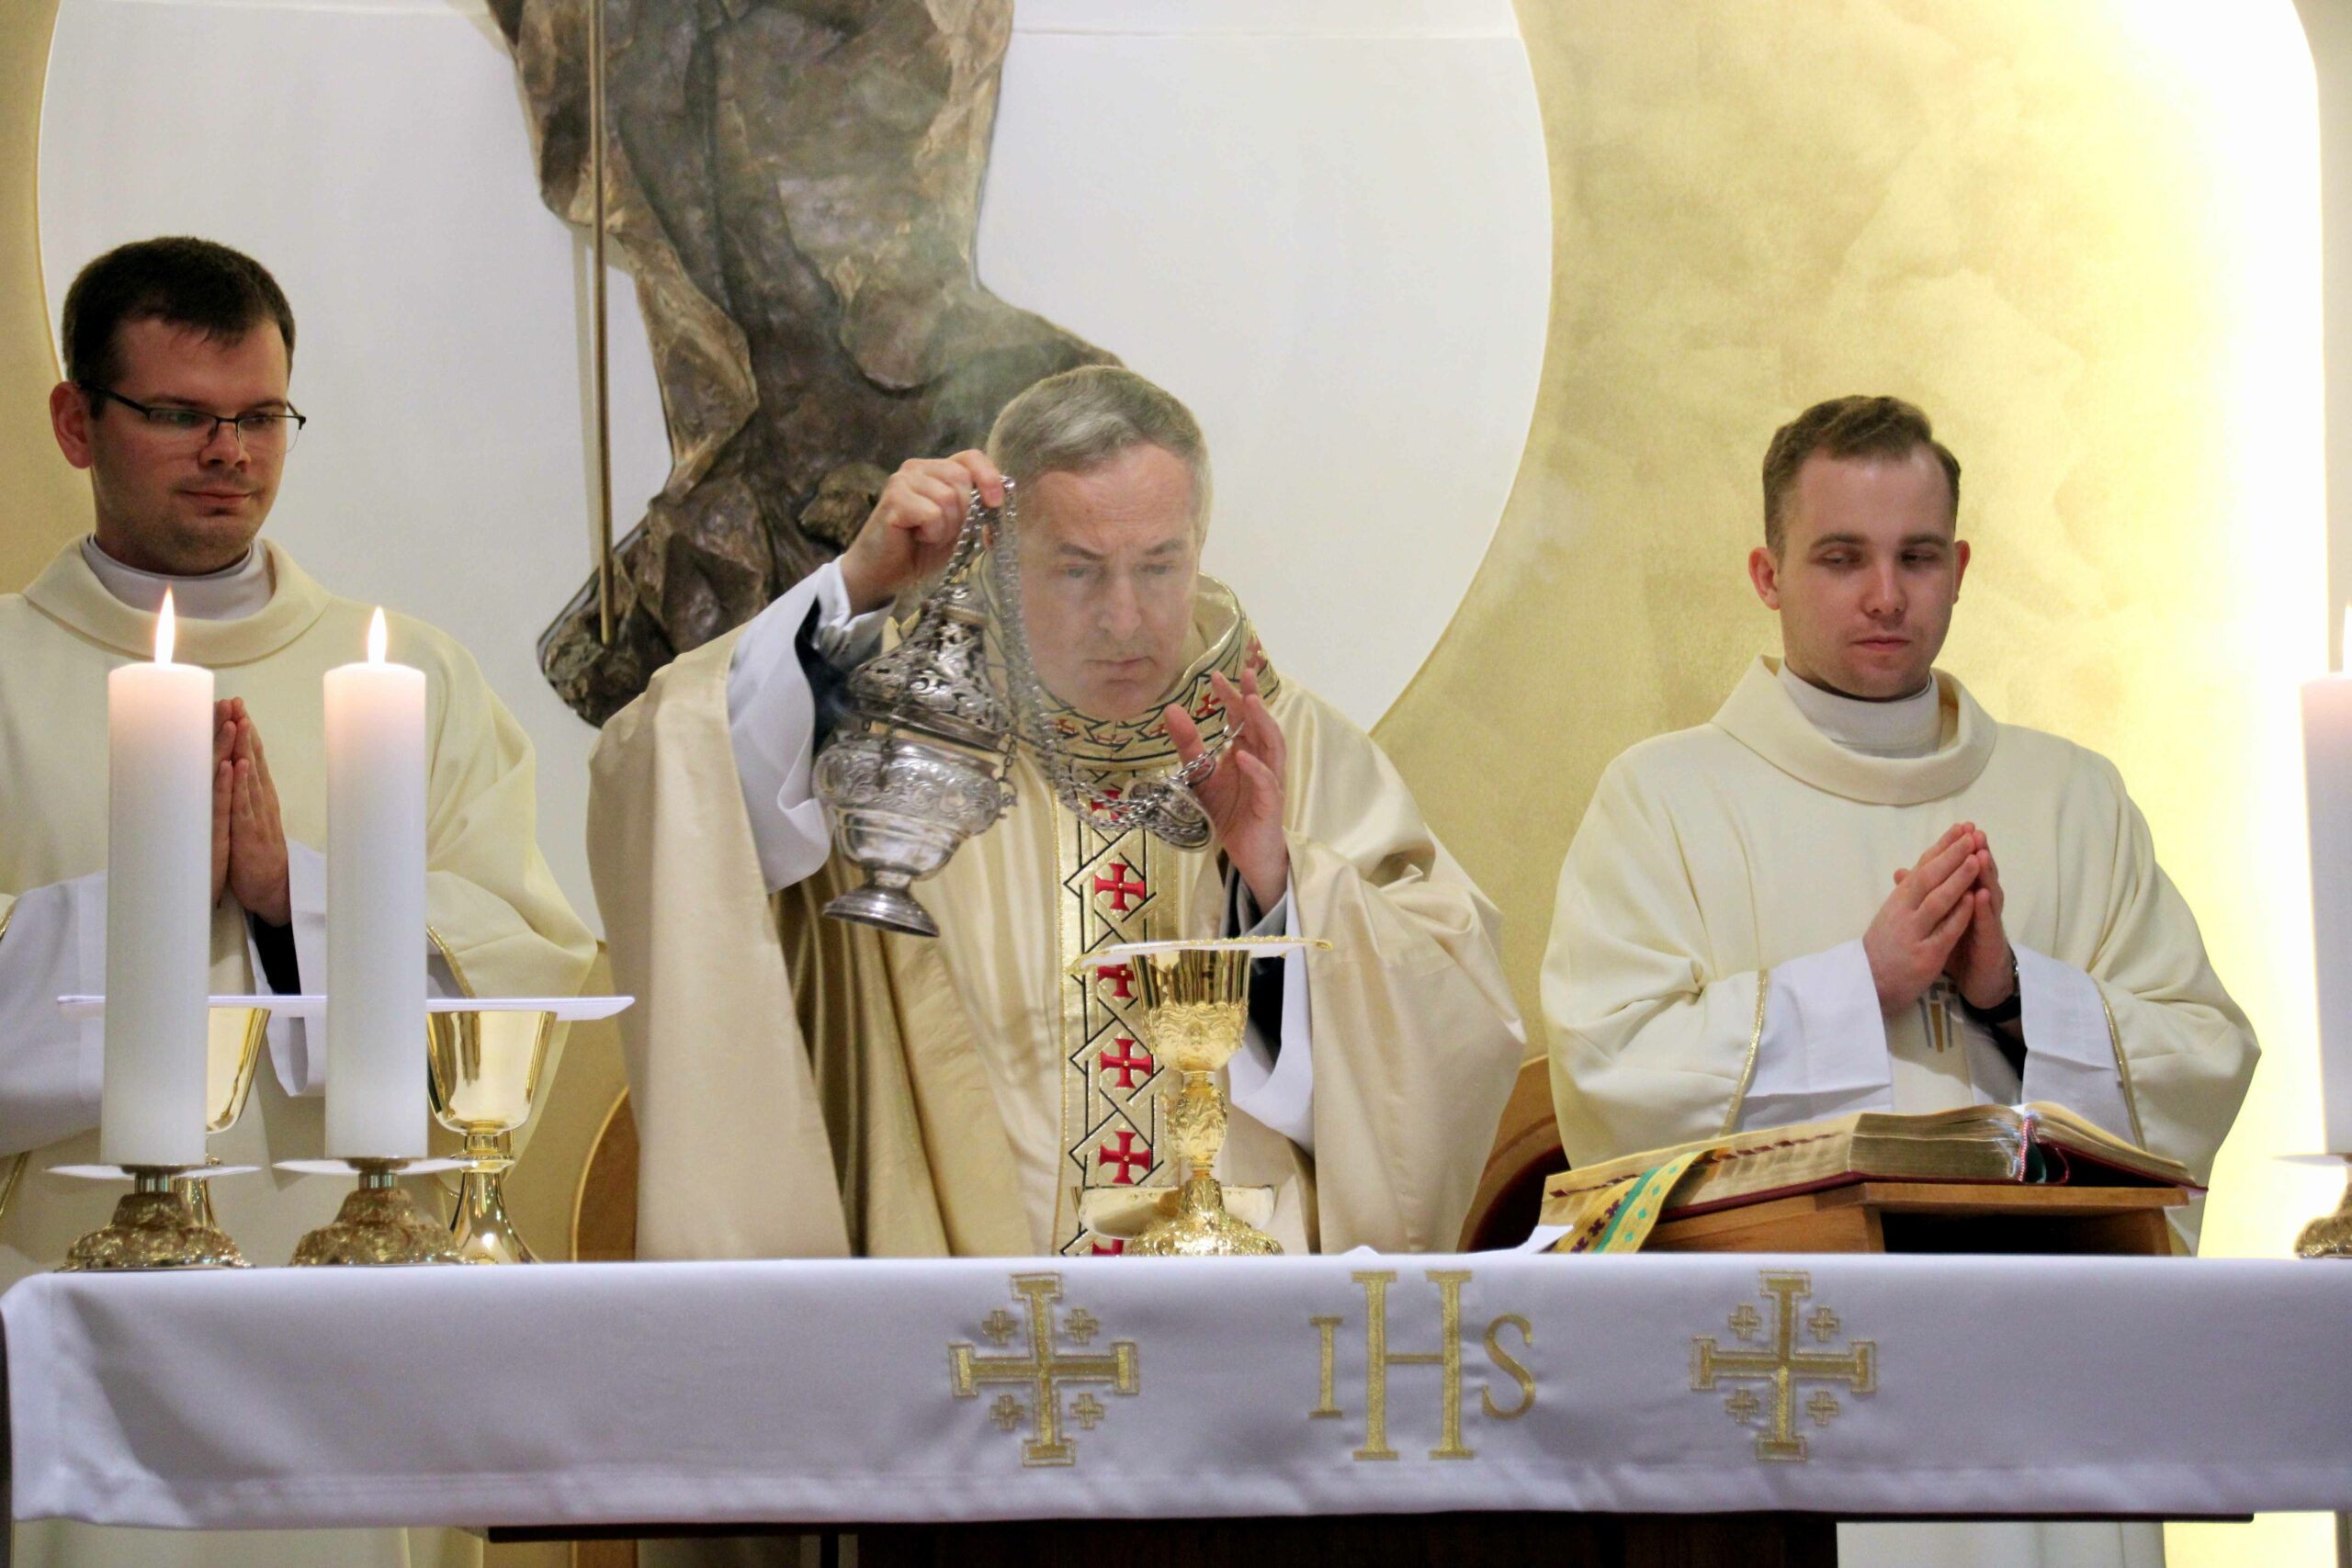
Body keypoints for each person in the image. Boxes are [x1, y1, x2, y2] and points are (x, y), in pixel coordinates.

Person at [591, 364, 1523, 1261]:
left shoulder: (1287, 743)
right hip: (961, 1307)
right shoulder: (897, 726)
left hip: (1239, 1311)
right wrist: (854, 585)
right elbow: (689, 785)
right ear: (1000, 557)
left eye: (1158, 565)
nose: (1124, 618)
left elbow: (1447, 1036)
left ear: (1199, 542)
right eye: (1079, 571)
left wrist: (1279, 886)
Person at [0, 237, 595, 1565]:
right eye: (180, 415)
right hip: (60, 1310)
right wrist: (139, 902)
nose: (230, 454)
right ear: (76, 422)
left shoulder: (414, 680)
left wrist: (298, 896)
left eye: (261, 416)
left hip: (346, 1323)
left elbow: (521, 981)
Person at [1544, 395, 2256, 1230]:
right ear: (1768, 576)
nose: (1886, 597)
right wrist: (1861, 984)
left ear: (1958, 570)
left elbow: (2204, 1056)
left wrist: (2015, 994)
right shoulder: (1661, 798)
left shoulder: (2075, 797)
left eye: (1916, 557)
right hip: (1791, 1291)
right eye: (1842, 558)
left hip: (2040, 1281)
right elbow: (1611, 1070)